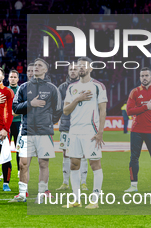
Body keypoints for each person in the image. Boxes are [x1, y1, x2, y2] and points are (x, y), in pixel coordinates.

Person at [9, 58, 62, 203]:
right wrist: (30, 103)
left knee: (43, 163)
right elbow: (15, 108)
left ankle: (42, 192)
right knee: (23, 163)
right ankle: (21, 194)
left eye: (40, 65)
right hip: (27, 131)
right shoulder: (23, 87)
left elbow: (58, 110)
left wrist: (48, 122)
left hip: (45, 132)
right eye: (34, 66)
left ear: (45, 70)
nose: (36, 68)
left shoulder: (52, 88)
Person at [61, 57, 107, 209]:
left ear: (90, 68)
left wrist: (100, 132)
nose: (81, 68)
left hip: (90, 131)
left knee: (95, 164)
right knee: (74, 164)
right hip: (74, 131)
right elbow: (66, 111)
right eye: (78, 66)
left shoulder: (98, 86)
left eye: (84, 65)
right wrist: (77, 98)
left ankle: (95, 200)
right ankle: (76, 200)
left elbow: (103, 110)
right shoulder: (71, 88)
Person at [125, 67, 151, 193]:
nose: (144, 78)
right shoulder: (135, 92)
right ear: (139, 77)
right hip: (136, 130)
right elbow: (129, 111)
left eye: (146, 75)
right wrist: (145, 107)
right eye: (142, 75)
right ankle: (133, 185)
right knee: (134, 158)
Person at [56, 64, 89, 191]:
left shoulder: (86, 86)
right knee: (65, 154)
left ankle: (83, 183)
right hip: (66, 125)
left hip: (82, 125)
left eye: (75, 69)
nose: (73, 71)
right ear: (68, 72)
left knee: (84, 154)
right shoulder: (62, 88)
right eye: (71, 69)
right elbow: (58, 106)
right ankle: (65, 183)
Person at [8, 70, 22, 178]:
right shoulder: (5, 90)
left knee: (18, 148)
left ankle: (19, 170)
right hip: (6, 123)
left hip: (18, 122)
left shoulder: (21, 90)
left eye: (14, 77)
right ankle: (6, 171)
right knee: (4, 148)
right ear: (8, 78)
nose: (13, 78)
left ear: (18, 79)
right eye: (11, 77)